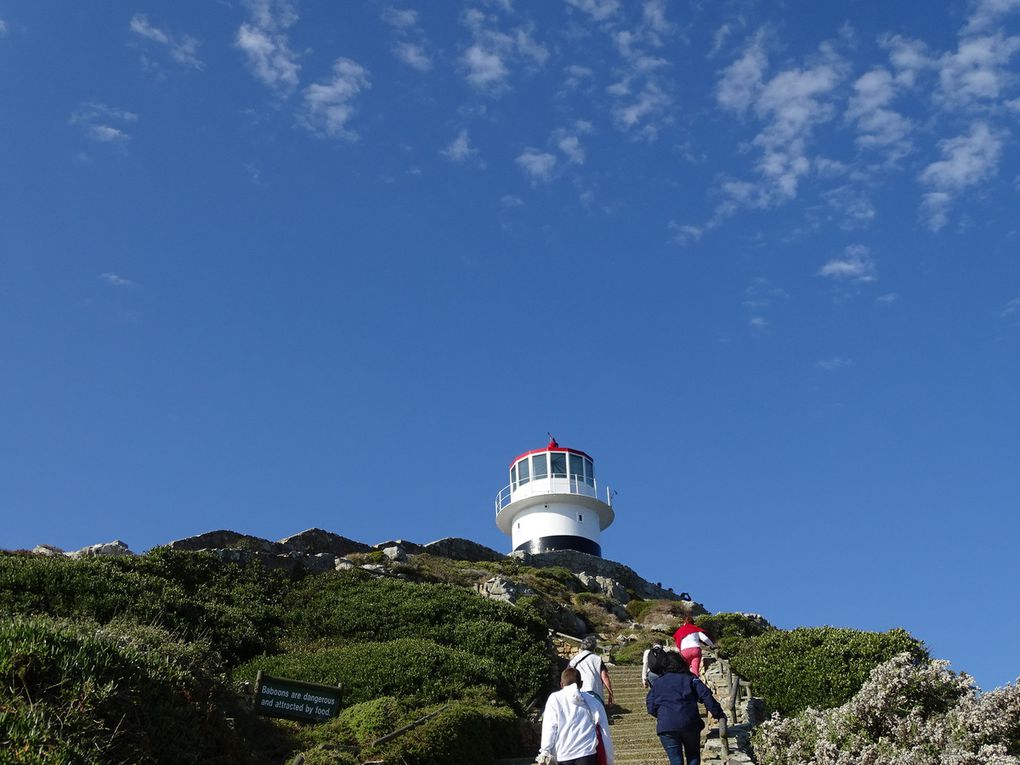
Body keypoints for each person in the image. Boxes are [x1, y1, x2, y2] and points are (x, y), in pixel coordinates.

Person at [646, 651, 726, 765]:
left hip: (666, 726)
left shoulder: (658, 683)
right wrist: (719, 714)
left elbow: (650, 707)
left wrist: (663, 716)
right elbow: (706, 695)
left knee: (676, 761)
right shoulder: (690, 678)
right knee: (693, 757)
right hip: (690, 724)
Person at [537, 667, 615, 765]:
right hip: (588, 754)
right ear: (581, 684)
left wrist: (545, 752)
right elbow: (605, 733)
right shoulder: (594, 701)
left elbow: (549, 728)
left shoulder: (555, 699)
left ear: (561, 684)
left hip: (564, 755)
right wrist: (609, 760)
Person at [568, 635, 615, 708]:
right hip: (595, 690)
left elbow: (568, 674)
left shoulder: (575, 659)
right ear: (594, 647)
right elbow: (604, 676)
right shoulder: (597, 659)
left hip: (580, 690)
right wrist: (610, 692)